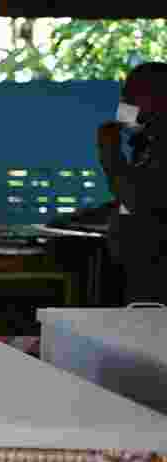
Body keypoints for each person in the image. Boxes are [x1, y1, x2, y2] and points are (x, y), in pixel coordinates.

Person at [96, 61, 167, 305]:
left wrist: (110, 153)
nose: (124, 104)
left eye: (131, 95)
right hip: (141, 273)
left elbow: (137, 200)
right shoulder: (148, 145)